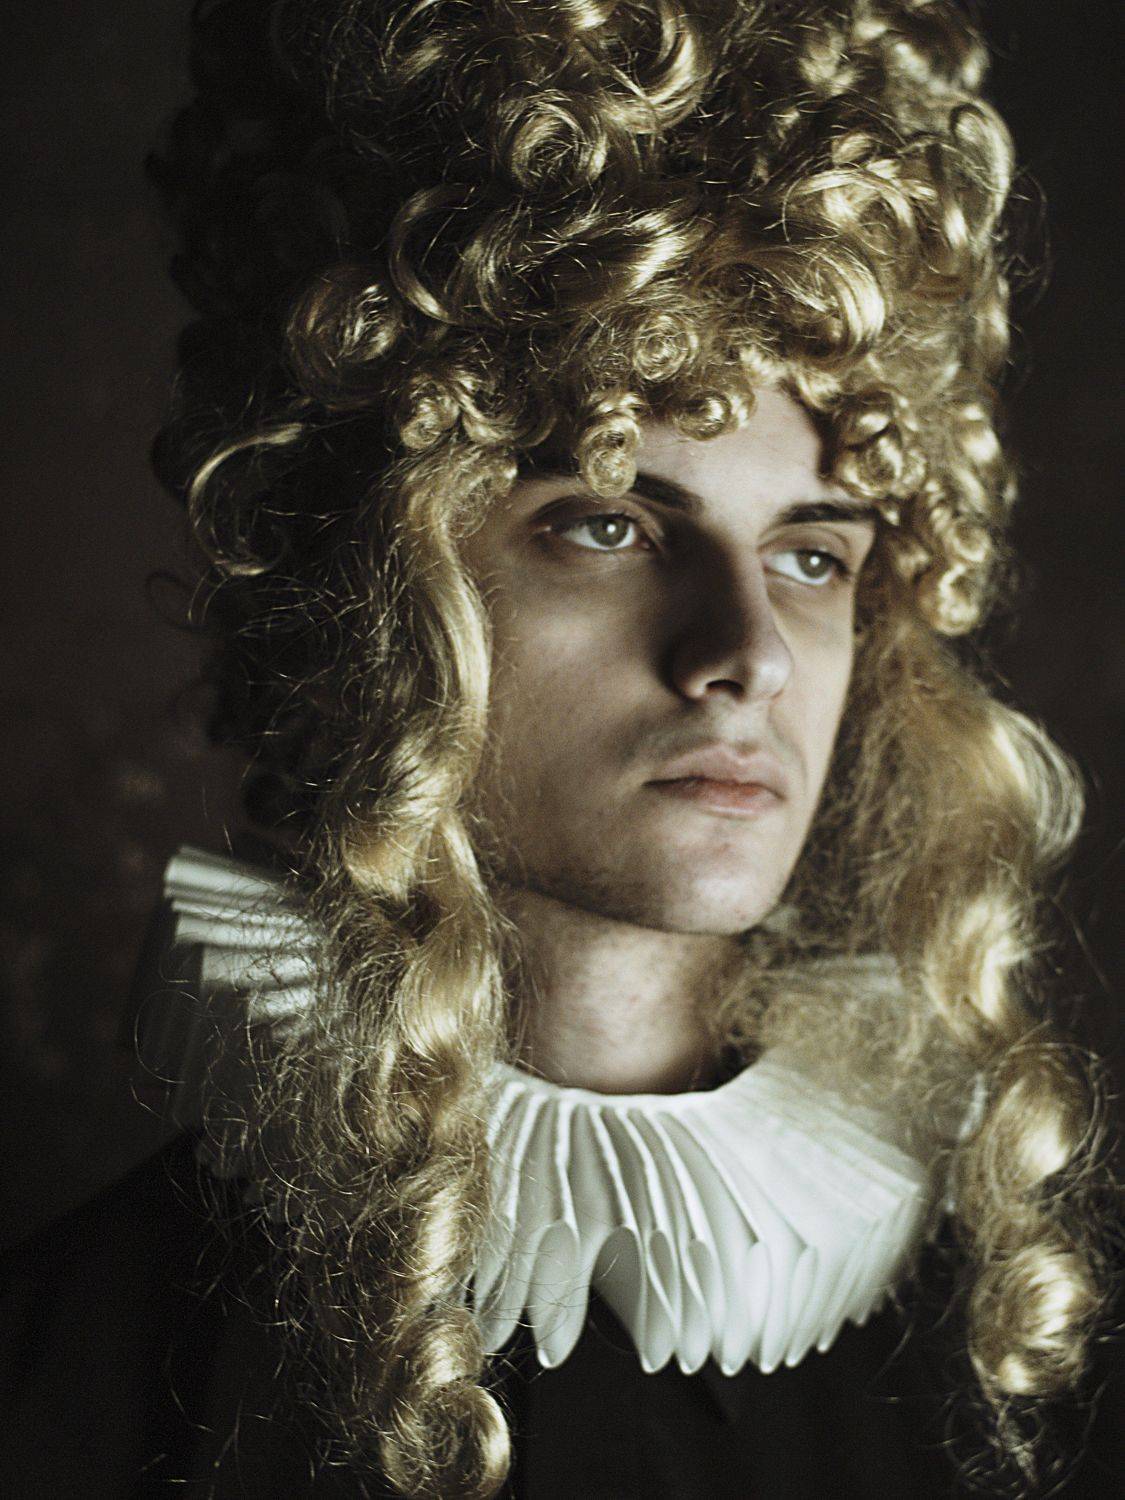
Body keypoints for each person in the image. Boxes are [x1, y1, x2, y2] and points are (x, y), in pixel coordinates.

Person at [0, 1, 1119, 1496]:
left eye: (811, 555)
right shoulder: (70, 1382)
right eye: (607, 526)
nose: (747, 654)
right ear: (372, 584)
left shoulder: (1020, 1341)